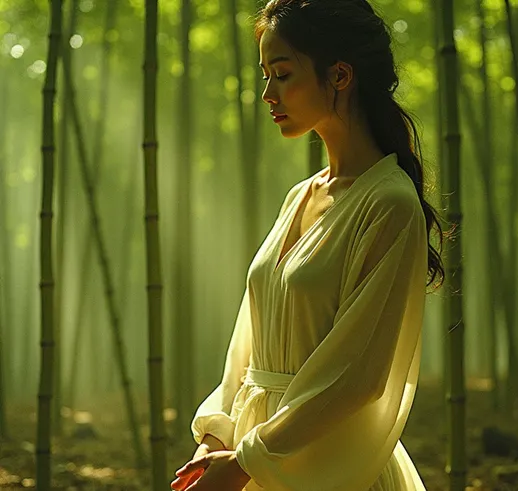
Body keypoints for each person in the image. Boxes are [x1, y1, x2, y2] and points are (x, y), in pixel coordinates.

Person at [170, 0, 444, 489]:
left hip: (327, 460)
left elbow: (355, 377)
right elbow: (249, 344)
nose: (267, 93)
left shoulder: (389, 204)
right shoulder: (301, 195)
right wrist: (216, 437)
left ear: (339, 75)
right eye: (265, 75)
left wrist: (247, 461)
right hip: (251, 455)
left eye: (282, 74)